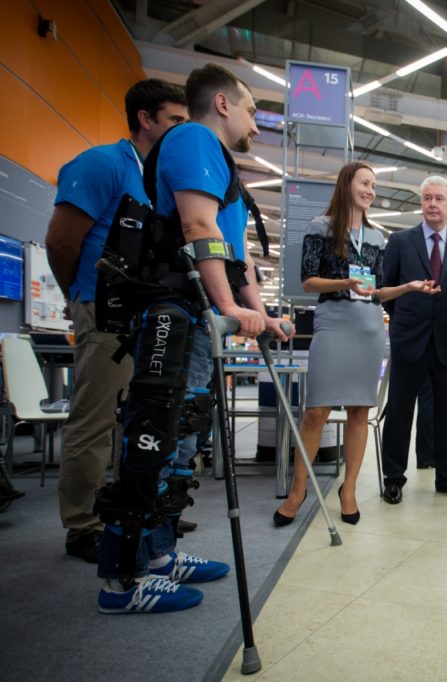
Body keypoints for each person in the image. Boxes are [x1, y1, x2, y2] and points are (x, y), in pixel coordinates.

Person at [94, 63, 292, 613]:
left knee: (182, 437)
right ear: (224, 104)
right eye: (253, 109)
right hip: (173, 311)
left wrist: (260, 312)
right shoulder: (194, 139)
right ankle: (120, 583)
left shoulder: (219, 160)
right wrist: (228, 307)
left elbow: (237, 254)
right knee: (153, 437)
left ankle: (159, 558)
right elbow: (196, 229)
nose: (257, 122)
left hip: (199, 317)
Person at [46, 79, 187, 563]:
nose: (181, 130)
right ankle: (82, 524)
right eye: (174, 120)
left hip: (148, 316)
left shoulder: (160, 179)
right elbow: (62, 240)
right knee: (95, 418)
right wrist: (78, 296)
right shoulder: (103, 164)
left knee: (140, 418)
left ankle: (131, 510)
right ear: (146, 119)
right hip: (104, 309)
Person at [272, 162, 439, 527]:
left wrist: (408, 287)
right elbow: (308, 282)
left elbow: (376, 290)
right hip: (333, 324)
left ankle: (348, 490)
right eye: (365, 183)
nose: (370, 191)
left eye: (374, 186)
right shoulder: (321, 227)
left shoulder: (378, 237)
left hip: (369, 327)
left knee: (360, 412)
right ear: (347, 183)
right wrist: (345, 283)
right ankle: (298, 491)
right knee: (317, 411)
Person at [380, 176, 447, 505]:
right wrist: (407, 318)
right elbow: (386, 290)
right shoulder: (400, 241)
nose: (432, 204)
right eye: (427, 198)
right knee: (400, 412)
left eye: (439, 199)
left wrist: (442, 319)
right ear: (421, 204)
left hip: (446, 342)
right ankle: (393, 478)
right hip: (409, 338)